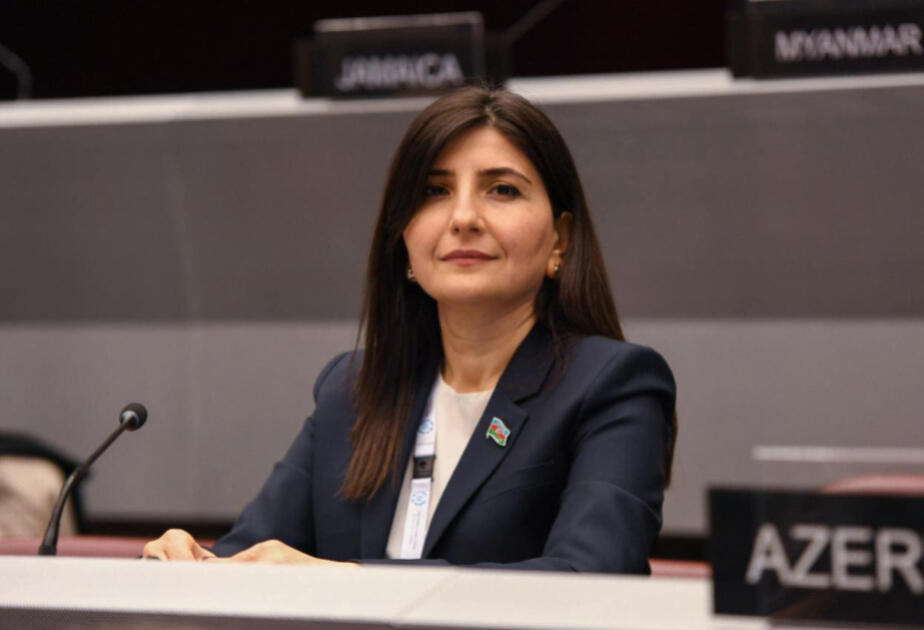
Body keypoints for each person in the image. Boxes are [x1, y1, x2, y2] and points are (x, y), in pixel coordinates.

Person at [143, 85, 677, 573]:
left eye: (501, 190)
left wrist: (351, 582)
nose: (463, 217)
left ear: (560, 240)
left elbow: (588, 576)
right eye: (434, 191)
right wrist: (194, 564)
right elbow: (251, 556)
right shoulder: (352, 390)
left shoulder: (613, 385)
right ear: (403, 242)